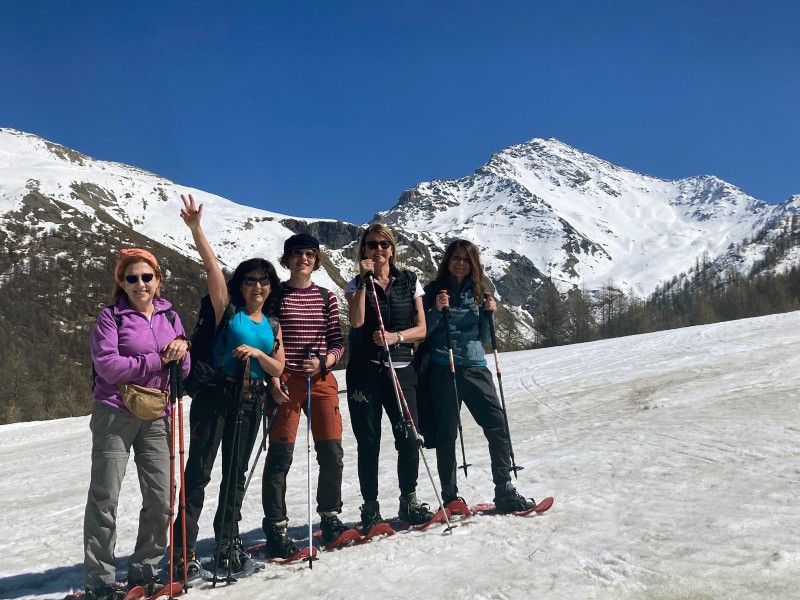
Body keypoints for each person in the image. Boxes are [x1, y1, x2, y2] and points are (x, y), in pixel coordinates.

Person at [173, 194, 285, 577]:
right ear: (241, 285)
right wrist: (196, 229)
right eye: (251, 280)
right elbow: (212, 269)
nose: (258, 286)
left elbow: (279, 365)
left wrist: (259, 360)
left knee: (234, 475)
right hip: (217, 395)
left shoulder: (272, 325)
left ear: (271, 287)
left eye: (264, 281)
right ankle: (183, 551)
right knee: (200, 472)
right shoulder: (229, 310)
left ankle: (226, 543)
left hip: (251, 402)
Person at [85, 248, 191, 600]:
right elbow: (109, 367)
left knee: (161, 497)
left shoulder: (170, 317)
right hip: (115, 411)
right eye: (132, 278)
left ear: (158, 280)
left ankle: (145, 572)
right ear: (122, 282)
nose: (140, 283)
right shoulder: (110, 317)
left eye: (147, 277)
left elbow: (184, 370)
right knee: (105, 496)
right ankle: (100, 580)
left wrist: (181, 354)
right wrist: (159, 358)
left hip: (158, 413)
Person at [422, 239, 536, 512]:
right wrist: (437, 310)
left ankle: (505, 489)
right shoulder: (432, 291)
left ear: (473, 264)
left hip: (475, 366)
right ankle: (450, 497)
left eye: (465, 259)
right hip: (443, 366)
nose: (460, 263)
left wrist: (489, 315)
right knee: (447, 433)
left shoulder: (479, 293)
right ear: (447, 261)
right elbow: (423, 330)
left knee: (497, 425)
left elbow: (485, 337)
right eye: (455, 258)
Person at [261, 233, 347, 555]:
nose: (303, 259)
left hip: (321, 380)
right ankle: (276, 526)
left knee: (331, 451)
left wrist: (325, 360)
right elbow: (266, 338)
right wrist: (272, 377)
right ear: (287, 259)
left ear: (316, 259)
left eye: (309, 254)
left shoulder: (327, 297)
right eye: (296, 253)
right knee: (281, 455)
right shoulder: (276, 295)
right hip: (284, 380)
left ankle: (330, 517)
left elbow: (338, 344)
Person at [345, 223, 432, 530]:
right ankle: (370, 508)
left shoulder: (409, 281)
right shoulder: (356, 283)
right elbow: (356, 322)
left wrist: (396, 337)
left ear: (392, 249)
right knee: (369, 442)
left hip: (401, 369)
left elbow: (421, 329)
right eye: (371, 244)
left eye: (383, 244)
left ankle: (408, 500)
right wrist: (363, 282)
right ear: (363, 250)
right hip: (365, 371)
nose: (378, 249)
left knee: (409, 438)